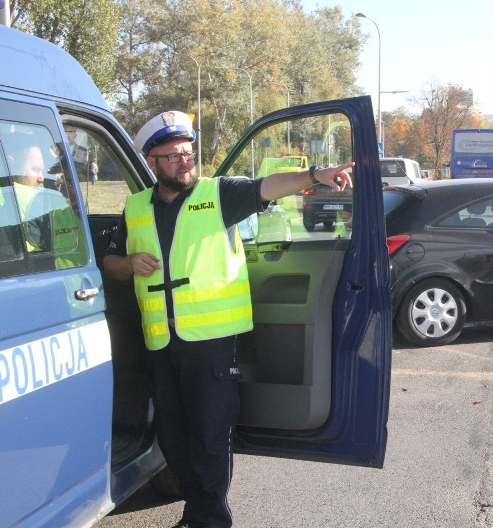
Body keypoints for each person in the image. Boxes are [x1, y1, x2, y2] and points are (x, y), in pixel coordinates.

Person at [103, 110, 352, 528]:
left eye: (188, 153)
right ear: (151, 161)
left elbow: (268, 186)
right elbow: (109, 263)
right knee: (172, 438)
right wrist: (128, 262)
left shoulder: (218, 195)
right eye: (173, 156)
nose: (185, 161)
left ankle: (209, 519)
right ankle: (196, 508)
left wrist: (314, 174)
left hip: (212, 343)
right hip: (161, 342)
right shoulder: (135, 207)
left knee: (210, 435)